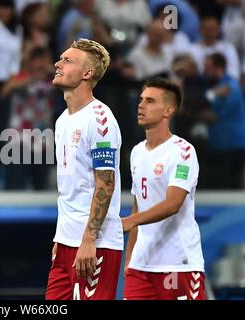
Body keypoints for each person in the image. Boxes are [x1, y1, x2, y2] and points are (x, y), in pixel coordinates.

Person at [46, 38, 123, 300]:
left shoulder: (100, 119)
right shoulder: (61, 120)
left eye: (68, 60)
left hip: (95, 244)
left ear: (87, 73)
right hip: (66, 241)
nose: (58, 63)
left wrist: (89, 240)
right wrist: (61, 237)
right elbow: (69, 187)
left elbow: (105, 183)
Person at [122, 78, 206, 300]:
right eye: (141, 100)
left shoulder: (183, 152)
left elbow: (173, 204)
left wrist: (132, 221)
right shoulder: (137, 152)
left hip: (178, 263)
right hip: (141, 267)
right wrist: (129, 257)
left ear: (168, 110)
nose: (141, 105)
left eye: (150, 101)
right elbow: (138, 205)